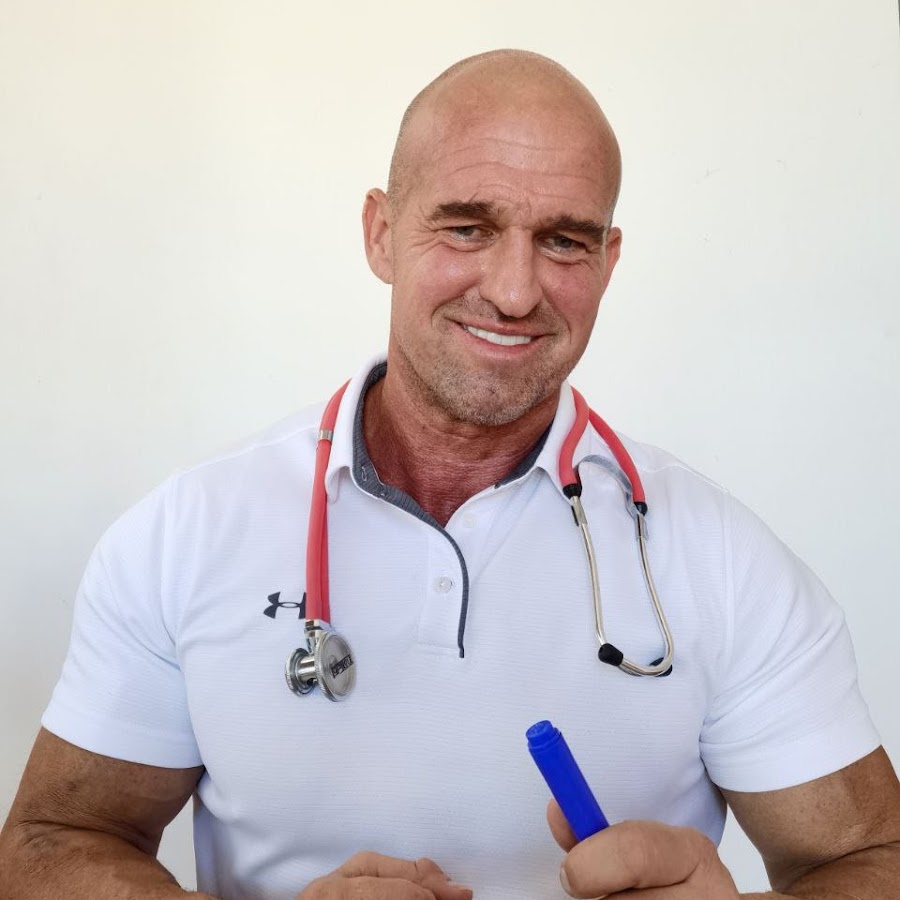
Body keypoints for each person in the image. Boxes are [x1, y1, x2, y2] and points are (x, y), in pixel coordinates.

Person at [1, 49, 898, 900]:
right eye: (468, 227)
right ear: (382, 234)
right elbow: (47, 847)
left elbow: (873, 860)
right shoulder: (186, 533)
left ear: (609, 261)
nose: (514, 291)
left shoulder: (726, 560)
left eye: (565, 242)